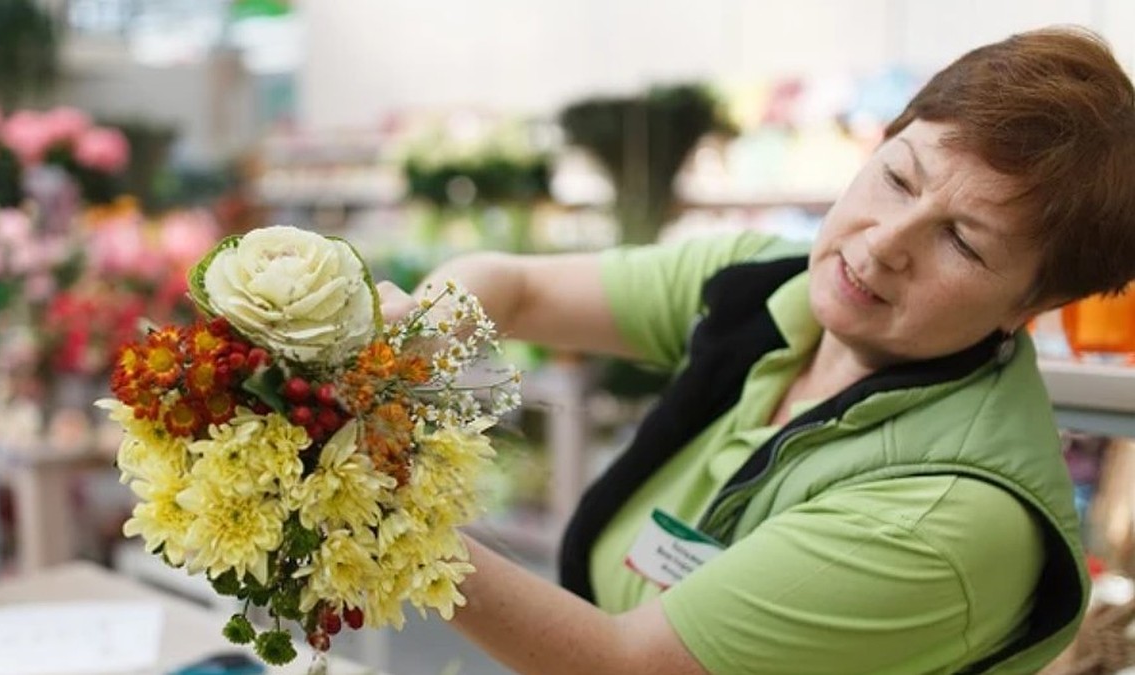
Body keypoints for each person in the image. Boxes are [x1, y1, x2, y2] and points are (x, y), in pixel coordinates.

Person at [377, 26, 1135, 674]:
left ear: (1032, 306)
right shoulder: (771, 288)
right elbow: (515, 287)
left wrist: (379, 518)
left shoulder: (944, 519)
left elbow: (625, 664)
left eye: (964, 243)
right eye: (900, 178)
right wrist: (420, 336)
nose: (884, 244)